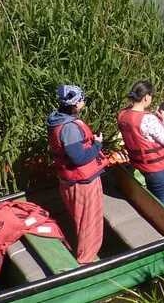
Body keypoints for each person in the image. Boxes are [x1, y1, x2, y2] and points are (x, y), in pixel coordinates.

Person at [46, 84, 106, 264]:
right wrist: (97, 144)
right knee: (89, 222)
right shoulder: (69, 128)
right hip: (81, 182)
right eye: (82, 100)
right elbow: (78, 158)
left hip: (69, 180)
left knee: (81, 219)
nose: (83, 102)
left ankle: (84, 254)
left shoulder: (57, 120)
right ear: (75, 104)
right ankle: (86, 260)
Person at [116, 81, 164, 207]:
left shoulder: (122, 114)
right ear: (146, 97)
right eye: (151, 96)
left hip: (140, 164)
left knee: (153, 193)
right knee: (161, 204)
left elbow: (139, 131)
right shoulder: (148, 119)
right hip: (157, 168)